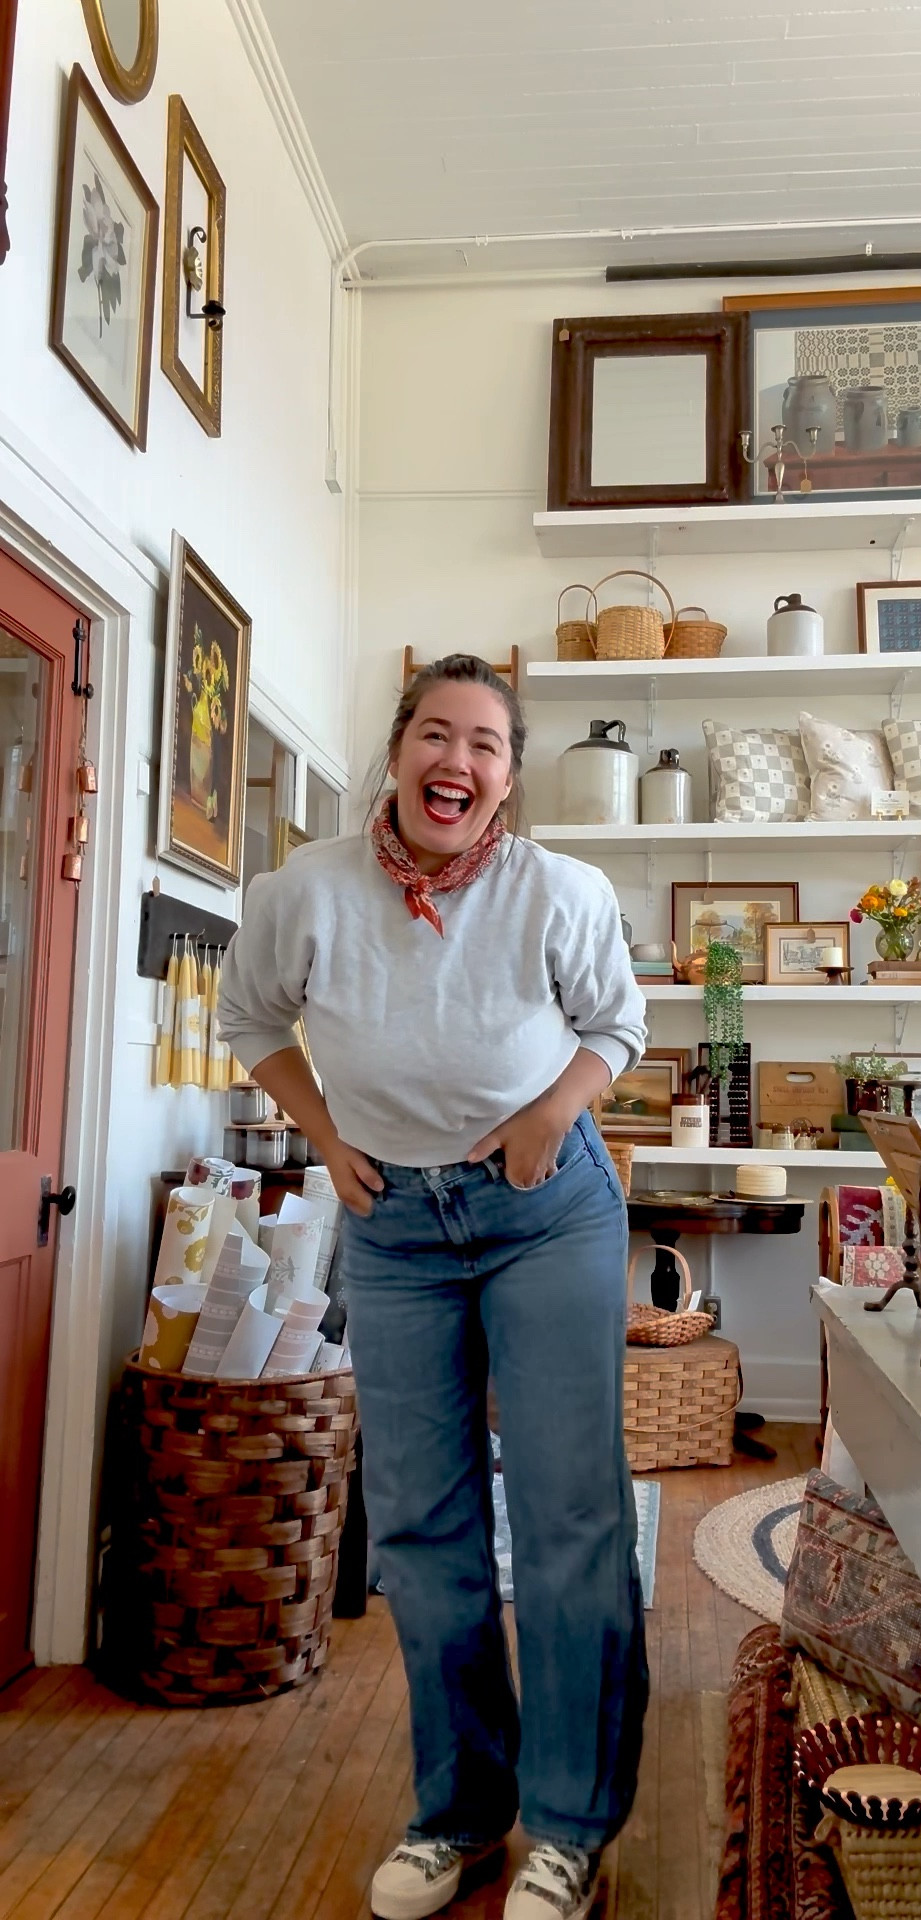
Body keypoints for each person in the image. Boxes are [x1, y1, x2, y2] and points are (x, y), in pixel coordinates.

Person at [217, 654, 649, 1920]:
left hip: (544, 1208)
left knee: (571, 1519)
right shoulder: (305, 893)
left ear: (510, 779)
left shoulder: (557, 890)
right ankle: (458, 1810)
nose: (456, 763)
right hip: (392, 1223)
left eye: (486, 746)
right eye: (435, 736)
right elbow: (253, 1022)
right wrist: (325, 1137)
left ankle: (569, 1827)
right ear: (397, 751)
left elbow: (614, 1026)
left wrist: (544, 1121)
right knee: (420, 1521)